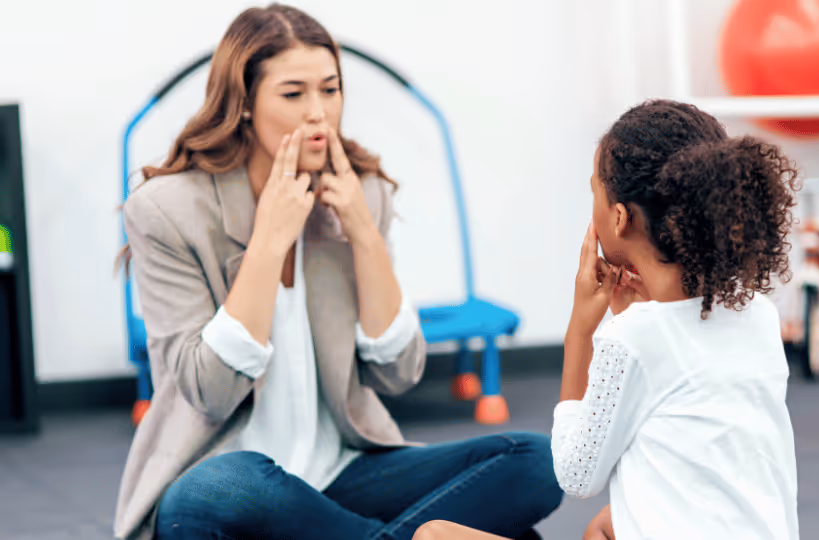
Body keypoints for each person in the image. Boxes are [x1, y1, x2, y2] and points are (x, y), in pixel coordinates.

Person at [112, 4, 563, 540]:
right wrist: (268, 242)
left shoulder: (361, 192)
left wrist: (363, 234)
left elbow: (398, 373)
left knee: (536, 461)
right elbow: (209, 392)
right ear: (246, 104)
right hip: (229, 478)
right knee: (221, 486)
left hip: (340, 473)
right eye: (293, 93)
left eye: (330, 89)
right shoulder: (167, 210)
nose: (318, 113)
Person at [415, 100, 801, 539]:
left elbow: (577, 476)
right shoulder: (758, 315)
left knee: (434, 536)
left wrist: (581, 329)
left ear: (619, 218)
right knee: (605, 527)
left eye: (594, 190)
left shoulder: (632, 337)